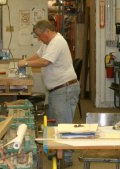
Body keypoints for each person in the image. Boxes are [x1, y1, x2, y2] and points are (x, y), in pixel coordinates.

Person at [18, 20, 80, 167]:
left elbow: (45, 62)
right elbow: (38, 55)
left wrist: (25, 64)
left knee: (64, 124)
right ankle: (59, 151)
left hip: (64, 89)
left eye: (39, 35)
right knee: (55, 124)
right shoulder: (47, 43)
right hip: (56, 90)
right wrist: (25, 60)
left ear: (46, 31)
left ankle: (67, 157)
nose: (39, 38)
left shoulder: (57, 42)